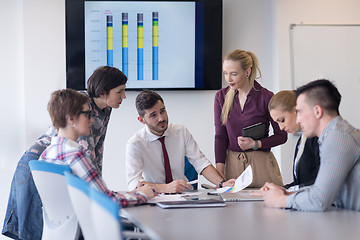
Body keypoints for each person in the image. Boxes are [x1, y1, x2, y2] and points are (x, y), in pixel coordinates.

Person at [2, 66, 127, 240]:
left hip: (47, 162)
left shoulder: (106, 108)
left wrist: (97, 183)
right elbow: (86, 152)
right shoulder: (82, 103)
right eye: (120, 91)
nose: (124, 96)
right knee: (32, 233)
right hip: (36, 161)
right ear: (103, 91)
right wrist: (100, 190)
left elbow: (98, 148)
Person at [39, 89, 154, 206]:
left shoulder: (46, 153)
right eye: (87, 114)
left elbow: (100, 193)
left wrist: (132, 193)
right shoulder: (75, 156)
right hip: (85, 223)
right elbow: (105, 200)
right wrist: (142, 195)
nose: (91, 119)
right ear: (71, 119)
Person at [261, 79, 360, 211]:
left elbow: (318, 200)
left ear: (317, 111)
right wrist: (287, 192)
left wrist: (281, 200)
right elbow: (320, 188)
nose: (298, 119)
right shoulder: (332, 134)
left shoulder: (338, 137)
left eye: (300, 112)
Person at [126, 90, 235, 193]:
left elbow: (200, 162)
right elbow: (134, 184)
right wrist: (166, 188)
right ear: (141, 120)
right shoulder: (135, 144)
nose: (161, 118)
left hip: (183, 196)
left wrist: (222, 183)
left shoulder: (180, 131)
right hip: (154, 198)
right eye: (153, 115)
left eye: (162, 111)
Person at [214, 49, 287, 187]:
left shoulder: (266, 97)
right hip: (232, 164)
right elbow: (220, 137)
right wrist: (220, 175)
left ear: (247, 72)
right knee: (232, 208)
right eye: (225, 73)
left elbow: (282, 136)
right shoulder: (221, 97)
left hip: (261, 164)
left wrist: (256, 144)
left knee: (268, 207)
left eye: (234, 74)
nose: (228, 79)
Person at [268, 90, 320, 191]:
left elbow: (320, 183)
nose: (281, 128)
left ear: (296, 111)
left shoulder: (317, 139)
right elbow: (299, 183)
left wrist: (286, 191)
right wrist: (278, 189)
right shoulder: (301, 140)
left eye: (282, 120)